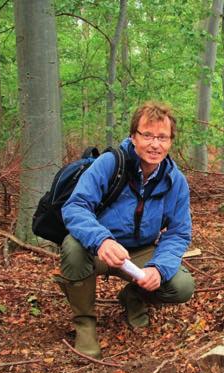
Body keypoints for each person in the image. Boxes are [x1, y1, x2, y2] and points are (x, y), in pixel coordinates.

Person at [55, 102, 194, 359]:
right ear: (133, 136)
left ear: (171, 142)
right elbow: (75, 206)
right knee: (72, 247)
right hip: (100, 250)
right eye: (147, 135)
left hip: (141, 251)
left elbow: (179, 232)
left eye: (162, 137)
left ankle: (132, 297)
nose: (155, 144)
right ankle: (85, 325)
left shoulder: (175, 181)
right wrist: (101, 240)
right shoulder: (110, 164)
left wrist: (158, 268)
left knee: (181, 286)